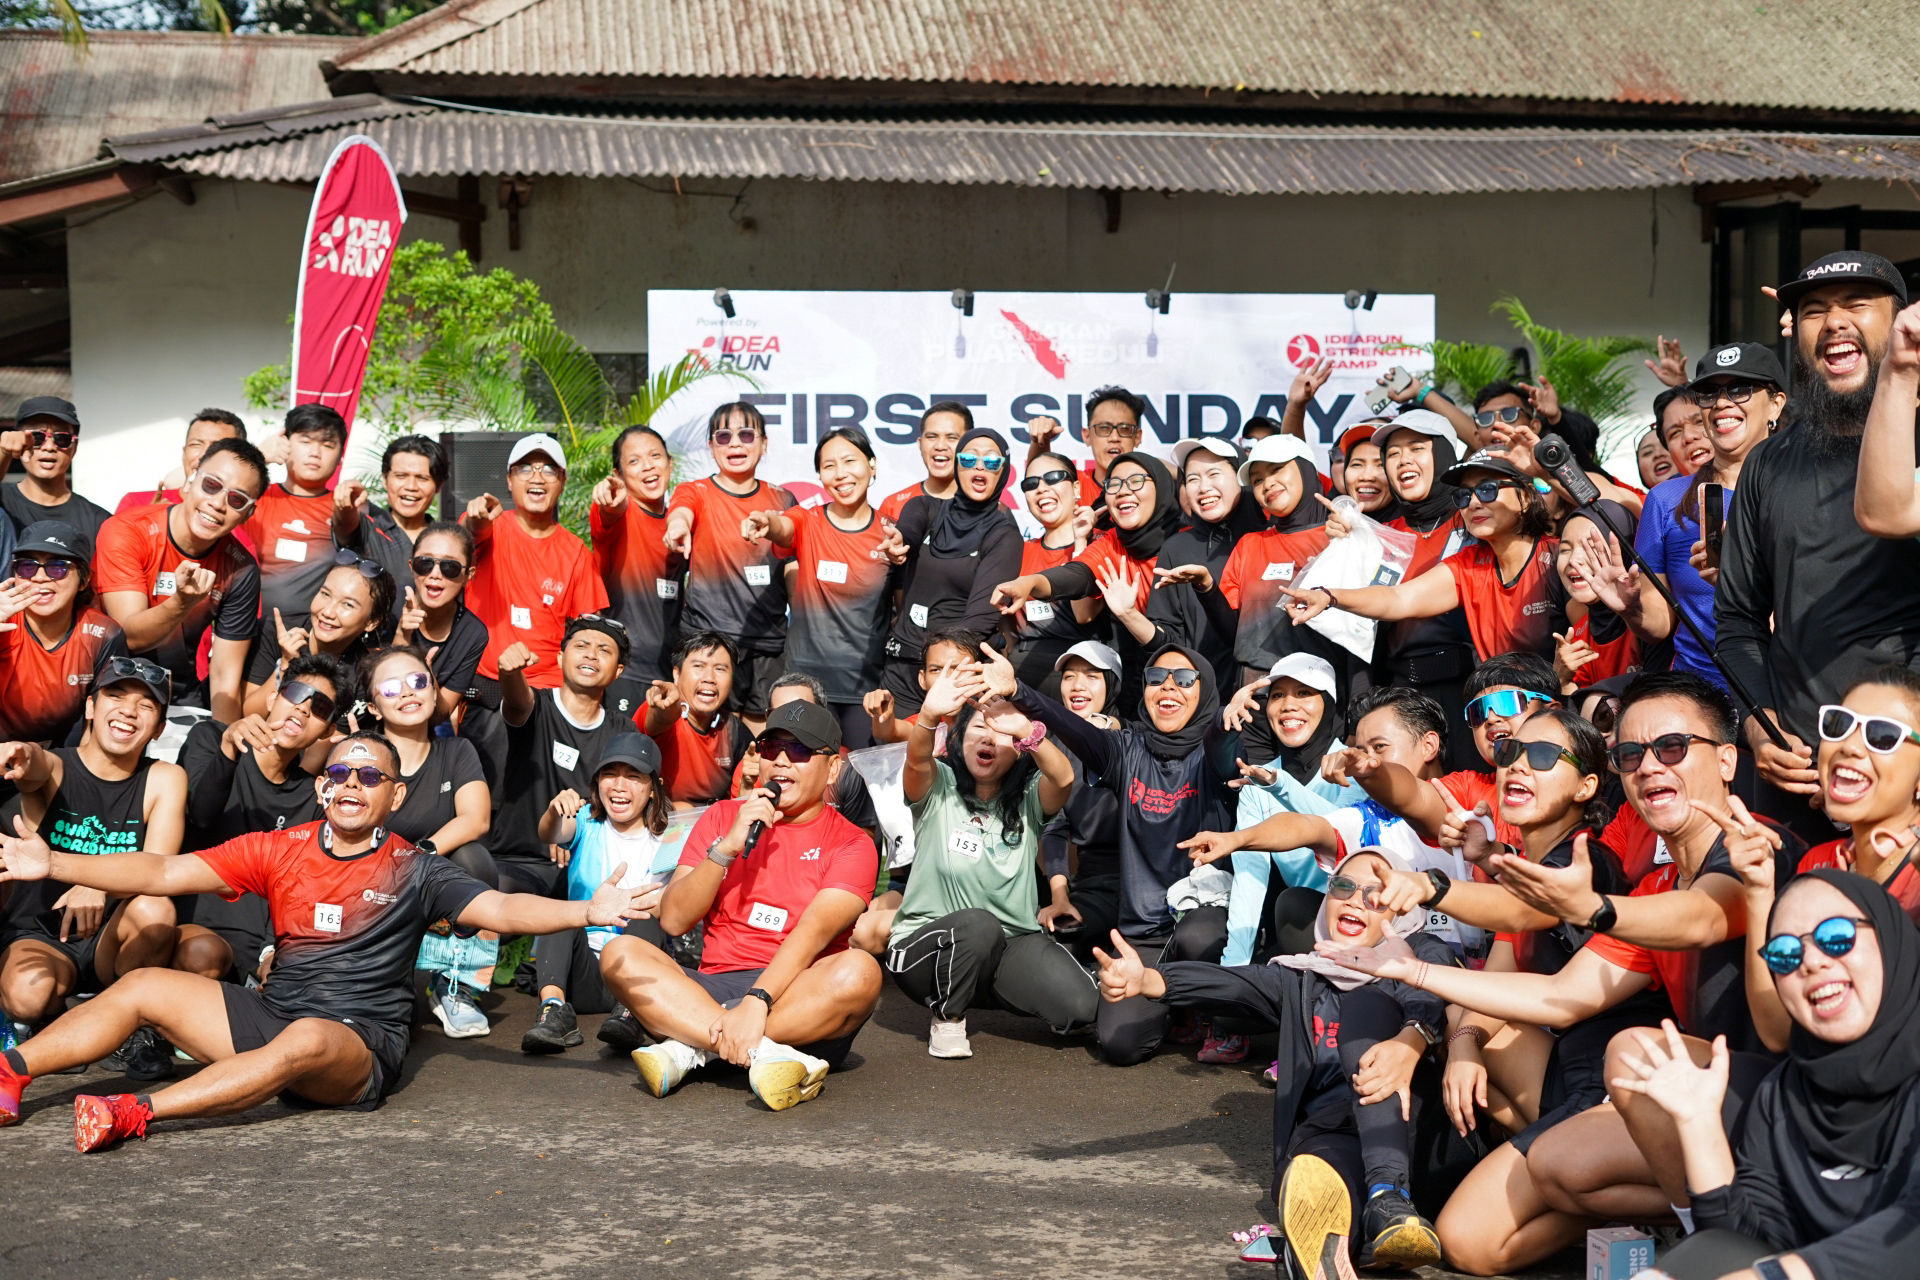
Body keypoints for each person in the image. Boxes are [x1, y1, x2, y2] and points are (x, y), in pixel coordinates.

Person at [0, 732, 653, 1149]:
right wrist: (53, 863)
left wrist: (586, 910)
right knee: (145, 986)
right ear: (322, 786)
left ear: (395, 795)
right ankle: (11, 1072)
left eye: (370, 778)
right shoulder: (278, 847)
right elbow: (164, 872)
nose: (351, 785)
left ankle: (136, 1112)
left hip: (353, 1043)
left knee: (308, 1038)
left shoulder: (416, 869)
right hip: (274, 1015)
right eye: (340, 773)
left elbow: (503, 908)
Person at [1093, 847, 1450, 1272]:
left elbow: (1430, 999)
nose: (1356, 900)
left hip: (1416, 1131)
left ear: (1401, 908)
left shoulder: (1421, 954)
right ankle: (1349, 1247)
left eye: (1375, 894)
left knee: (1366, 1006)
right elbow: (1232, 983)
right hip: (1335, 1131)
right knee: (1311, 1175)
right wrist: (1151, 980)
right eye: (1343, 886)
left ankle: (1388, 1200)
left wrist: (1410, 1041)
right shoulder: (1303, 978)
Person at [1611, 872, 1920, 1280]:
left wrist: (1775, 1275)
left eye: (1836, 936)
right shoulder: (1783, 1095)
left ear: (1890, 939)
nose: (1811, 962)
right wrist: (1699, 1124)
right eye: (1785, 954)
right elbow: (1738, 1245)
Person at [1718, 252, 1920, 843]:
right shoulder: (1768, 462)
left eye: (1856, 305)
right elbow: (1738, 620)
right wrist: (1760, 724)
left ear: (1900, 321)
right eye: (1814, 311)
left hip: (1903, 766)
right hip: (1798, 772)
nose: (1833, 322)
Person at [604, 699, 883, 1111]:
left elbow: (812, 935)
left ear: (832, 769)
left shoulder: (853, 843)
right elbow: (675, 919)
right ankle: (764, 1052)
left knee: (860, 972)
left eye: (800, 750)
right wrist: (726, 848)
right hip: (713, 986)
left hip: (797, 995)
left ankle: (694, 1048)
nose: (782, 761)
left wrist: (757, 1001)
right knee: (619, 954)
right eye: (771, 748)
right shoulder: (723, 817)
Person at [995, 642, 1239, 1065]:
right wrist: (1019, 692)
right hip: (1143, 927)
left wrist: (1223, 720)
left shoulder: (1213, 752)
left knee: (1198, 938)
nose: (1169, 686)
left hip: (1201, 917)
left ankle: (1205, 1009)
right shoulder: (1127, 749)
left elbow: (1222, 741)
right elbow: (1075, 730)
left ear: (1205, 691)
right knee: (1119, 1045)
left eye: (1184, 679)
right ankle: (1171, 1006)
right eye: (1157, 677)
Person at [884, 664, 1087, 1058]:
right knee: (979, 924)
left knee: (1081, 1007)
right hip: (925, 950)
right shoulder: (938, 785)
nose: (989, 737)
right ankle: (948, 1016)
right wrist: (928, 716)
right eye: (978, 727)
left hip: (1007, 946)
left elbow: (1063, 778)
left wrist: (1026, 728)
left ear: (1020, 748)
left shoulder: (1029, 798)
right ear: (959, 738)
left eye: (1000, 730)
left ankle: (981, 989)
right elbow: (917, 762)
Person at [0, 658, 187, 1053]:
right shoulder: (57, 766)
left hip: (115, 939)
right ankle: (62, 1017)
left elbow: (159, 870)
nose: (129, 711)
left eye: (146, 705)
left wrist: (95, 883)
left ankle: (129, 1026)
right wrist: (21, 752)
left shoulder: (165, 778)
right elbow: (36, 765)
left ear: (158, 728)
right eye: (115, 696)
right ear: (89, 707)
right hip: (44, 934)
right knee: (25, 997)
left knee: (156, 908)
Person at [1580, 344, 1787, 697]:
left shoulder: (1809, 486)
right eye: (1709, 394)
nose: (1721, 403)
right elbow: (1660, 622)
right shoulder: (1665, 500)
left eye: (1739, 389)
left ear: (1776, 404)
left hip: (1789, 690)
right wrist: (1631, 609)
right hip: (1698, 695)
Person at [1736, 669, 1920, 1056]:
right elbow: (1779, 1032)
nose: (1849, 747)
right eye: (1839, 725)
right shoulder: (1820, 866)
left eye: (1882, 735)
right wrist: (1758, 891)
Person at [1284, 448, 1562, 665]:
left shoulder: (1558, 557)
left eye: (1488, 489)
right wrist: (1329, 596)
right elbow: (1398, 598)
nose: (1474, 502)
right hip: (1498, 704)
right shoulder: (1469, 564)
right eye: (1464, 495)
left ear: (1526, 497)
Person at [174, 653, 346, 991]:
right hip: (196, 926)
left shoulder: (312, 797)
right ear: (272, 699)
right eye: (296, 694)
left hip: (263, 946)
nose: (303, 709)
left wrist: (272, 952)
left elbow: (298, 885)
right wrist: (228, 750)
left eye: (320, 707)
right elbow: (201, 815)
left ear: (327, 731)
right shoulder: (212, 738)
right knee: (204, 955)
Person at [353, 646, 498, 1040]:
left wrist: (418, 857)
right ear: (374, 707)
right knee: (397, 1017)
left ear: (435, 691)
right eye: (391, 687)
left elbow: (476, 819)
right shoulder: (361, 758)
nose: (407, 692)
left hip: (426, 875)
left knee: (475, 860)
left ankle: (457, 984)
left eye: (418, 681)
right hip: (367, 883)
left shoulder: (457, 750)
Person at [462, 433, 609, 786]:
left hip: (548, 695)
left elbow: (590, 630)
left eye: (549, 469)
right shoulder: (490, 529)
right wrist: (477, 518)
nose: (537, 477)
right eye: (525, 468)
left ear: (563, 481)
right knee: (486, 797)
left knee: (552, 798)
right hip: (488, 691)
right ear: (509, 479)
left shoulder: (575, 552)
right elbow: (470, 532)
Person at [989, 452, 1190, 708]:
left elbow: (1084, 614)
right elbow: (1078, 574)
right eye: (1114, 484)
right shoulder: (1111, 542)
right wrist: (1030, 583)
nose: (1124, 491)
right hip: (1143, 671)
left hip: (1197, 666)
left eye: (1136, 481)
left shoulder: (1189, 541)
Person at [93, 436, 268, 722]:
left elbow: (225, 676)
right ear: (190, 480)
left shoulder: (241, 569)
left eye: (236, 499)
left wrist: (221, 741)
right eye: (211, 485)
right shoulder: (127, 530)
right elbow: (129, 637)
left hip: (177, 694)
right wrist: (182, 602)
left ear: (248, 513)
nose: (217, 503)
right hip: (109, 684)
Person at [743, 426, 892, 749]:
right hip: (805, 685)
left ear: (872, 465)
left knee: (859, 775)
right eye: (829, 466)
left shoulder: (889, 534)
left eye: (850, 461)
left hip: (864, 689)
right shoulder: (807, 520)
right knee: (802, 769)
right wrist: (766, 523)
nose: (841, 474)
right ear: (820, 476)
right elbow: (782, 526)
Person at [526, 733, 671, 1055]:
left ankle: (630, 1014)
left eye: (633, 776)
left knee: (645, 917)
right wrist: (554, 811)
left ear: (653, 787)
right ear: (597, 782)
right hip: (583, 973)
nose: (619, 785)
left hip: (639, 978)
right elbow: (551, 833)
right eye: (610, 774)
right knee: (559, 915)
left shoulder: (672, 837)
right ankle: (553, 1010)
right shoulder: (586, 821)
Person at [663, 403, 794, 723]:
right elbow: (680, 512)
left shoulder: (783, 499)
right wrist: (677, 526)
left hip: (768, 643)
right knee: (711, 736)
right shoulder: (695, 491)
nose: (735, 443)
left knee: (762, 736)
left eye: (746, 434)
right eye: (723, 436)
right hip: (709, 643)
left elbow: (793, 564)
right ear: (711, 446)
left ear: (764, 443)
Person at [879, 427, 1023, 718]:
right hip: (902, 672)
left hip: (960, 675)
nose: (979, 466)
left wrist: (938, 670)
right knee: (895, 746)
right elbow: (909, 530)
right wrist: (900, 542)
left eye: (991, 461)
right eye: (969, 459)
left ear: (1003, 471)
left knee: (953, 748)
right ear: (958, 465)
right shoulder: (925, 506)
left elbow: (980, 619)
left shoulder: (1004, 536)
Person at [491, 613, 631, 898]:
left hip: (588, 864)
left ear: (618, 671)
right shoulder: (536, 706)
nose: (591, 655)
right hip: (519, 861)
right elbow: (517, 701)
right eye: (581, 646)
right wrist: (509, 673)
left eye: (604, 650)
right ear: (560, 657)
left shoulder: (622, 730)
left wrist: (571, 832)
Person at [1033, 641, 1126, 961]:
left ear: (1112, 685)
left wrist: (1109, 728)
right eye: (1069, 676)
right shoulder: (1053, 749)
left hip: (1145, 883)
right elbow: (1055, 827)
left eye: (1091, 676)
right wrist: (1060, 897)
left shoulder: (1132, 738)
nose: (1077, 685)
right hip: (1093, 883)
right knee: (1053, 944)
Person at [1154, 438, 1271, 687]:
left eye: (1214, 474)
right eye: (1192, 479)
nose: (1203, 487)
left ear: (1241, 476)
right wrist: (1129, 615)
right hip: (1205, 696)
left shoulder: (1273, 537)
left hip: (1272, 694)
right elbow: (1167, 633)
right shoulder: (1176, 548)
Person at [0, 522, 127, 747]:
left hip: (60, 755)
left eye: (57, 567)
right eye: (27, 566)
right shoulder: (3, 620)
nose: (39, 577)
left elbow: (101, 719)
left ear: (83, 580)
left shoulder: (104, 634)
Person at [242, 551, 395, 718]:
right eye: (325, 594)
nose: (328, 612)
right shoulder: (274, 632)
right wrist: (285, 664)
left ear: (372, 621)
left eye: (347, 604)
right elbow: (249, 715)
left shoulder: (364, 674)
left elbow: (335, 734)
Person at [243, 404, 355, 625]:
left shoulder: (348, 510)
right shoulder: (252, 498)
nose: (315, 453)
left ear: (340, 456)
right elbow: (189, 494)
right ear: (284, 442)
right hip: (247, 630)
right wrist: (257, 456)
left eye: (327, 444)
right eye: (305, 441)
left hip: (317, 633)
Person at [590, 425, 684, 685]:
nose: (648, 466)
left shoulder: (679, 524)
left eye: (655, 456)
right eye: (634, 461)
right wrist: (611, 500)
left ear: (670, 463)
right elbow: (610, 509)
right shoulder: (620, 513)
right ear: (617, 474)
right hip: (624, 670)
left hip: (672, 670)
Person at [1005, 450, 1101, 693]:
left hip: (1080, 673)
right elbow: (1003, 617)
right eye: (1031, 484)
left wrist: (1080, 542)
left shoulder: (1099, 545)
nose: (1041, 488)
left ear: (1076, 488)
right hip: (1022, 672)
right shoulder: (1018, 551)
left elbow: (1084, 615)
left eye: (1053, 478)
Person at [390, 520, 487, 722]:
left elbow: (442, 714)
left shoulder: (472, 633)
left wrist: (425, 675)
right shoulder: (389, 604)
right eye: (424, 563)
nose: (435, 574)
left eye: (449, 567)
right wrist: (401, 635)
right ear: (411, 566)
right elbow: (377, 689)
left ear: (468, 575)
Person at [644, 630, 752, 807]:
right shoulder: (662, 708)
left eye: (720, 669)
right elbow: (659, 718)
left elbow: (741, 801)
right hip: (659, 820)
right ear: (676, 674)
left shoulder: (734, 730)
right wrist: (665, 705)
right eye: (699, 666)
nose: (709, 678)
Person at [351, 435, 447, 622]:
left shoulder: (446, 541)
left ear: (438, 486)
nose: (411, 487)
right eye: (401, 476)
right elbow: (343, 521)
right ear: (384, 479)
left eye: (422, 478)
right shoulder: (364, 529)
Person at [1552, 502, 1641, 695]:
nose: (1574, 560)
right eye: (1565, 550)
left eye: (1592, 548)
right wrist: (1562, 681)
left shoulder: (1653, 624)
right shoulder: (1577, 638)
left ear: (1626, 551)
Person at [0, 396, 108, 544]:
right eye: (37, 437)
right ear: (18, 441)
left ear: (74, 447)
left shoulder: (98, 521)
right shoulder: (3, 501)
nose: (49, 447)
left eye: (61, 438)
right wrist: (3, 453)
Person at [114, 408, 246, 514]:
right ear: (184, 453)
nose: (203, 455)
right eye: (195, 444)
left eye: (217, 447)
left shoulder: (245, 511)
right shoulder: (135, 503)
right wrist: (148, 523)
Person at [877, 401, 968, 522]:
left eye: (951, 438)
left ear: (969, 445)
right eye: (932, 437)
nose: (940, 446)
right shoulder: (893, 505)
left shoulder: (985, 505)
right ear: (919, 444)